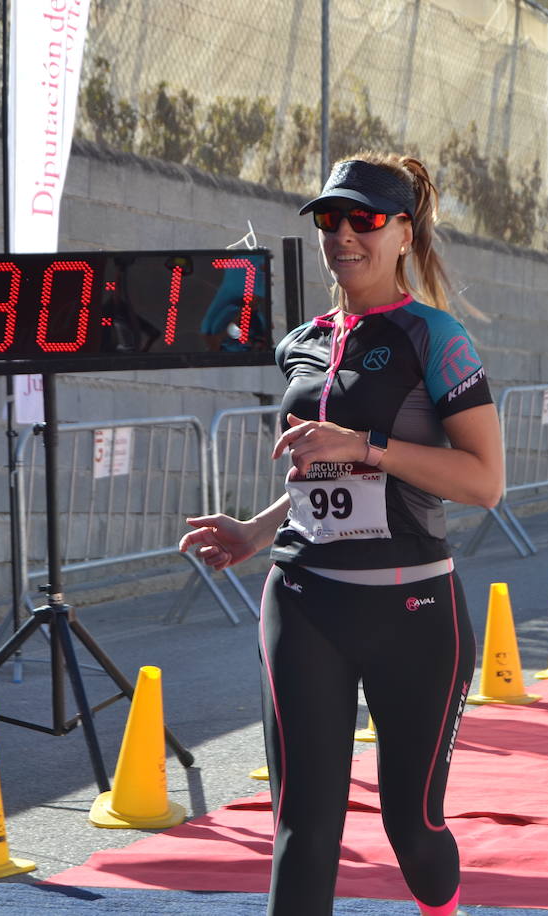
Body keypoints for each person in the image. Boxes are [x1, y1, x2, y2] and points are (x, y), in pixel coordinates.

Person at [179, 153, 504, 916]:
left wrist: (366, 445)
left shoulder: (436, 337)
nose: (344, 234)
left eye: (365, 218)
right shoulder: (301, 342)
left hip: (415, 615)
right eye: (330, 217)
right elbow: (315, 475)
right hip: (304, 603)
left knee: (414, 832)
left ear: (402, 231)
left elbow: (485, 481)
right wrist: (258, 531)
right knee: (303, 830)